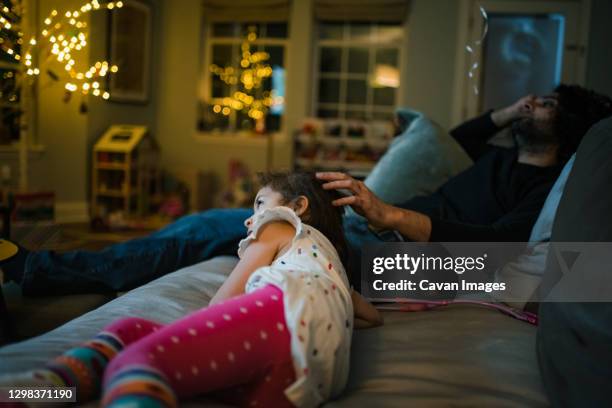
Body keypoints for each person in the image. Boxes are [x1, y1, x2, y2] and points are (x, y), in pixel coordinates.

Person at [1, 84, 611, 295]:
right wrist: (506, 112)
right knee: (214, 222)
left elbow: (502, 250)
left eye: (549, 103)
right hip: (376, 227)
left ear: (571, 124)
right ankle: (65, 270)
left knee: (216, 229)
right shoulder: (499, 151)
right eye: (533, 98)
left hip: (396, 254)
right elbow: (460, 138)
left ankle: (39, 269)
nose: (536, 104)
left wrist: (390, 214)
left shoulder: (550, 182)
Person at [3, 172, 382, 407]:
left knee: (136, 362)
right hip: (306, 381)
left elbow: (227, 296)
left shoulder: (279, 226)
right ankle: (50, 388)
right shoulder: (329, 269)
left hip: (284, 319)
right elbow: (372, 315)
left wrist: (201, 325)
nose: (250, 217)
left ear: (297, 207)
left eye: (259, 203)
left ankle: (28, 397)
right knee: (129, 330)